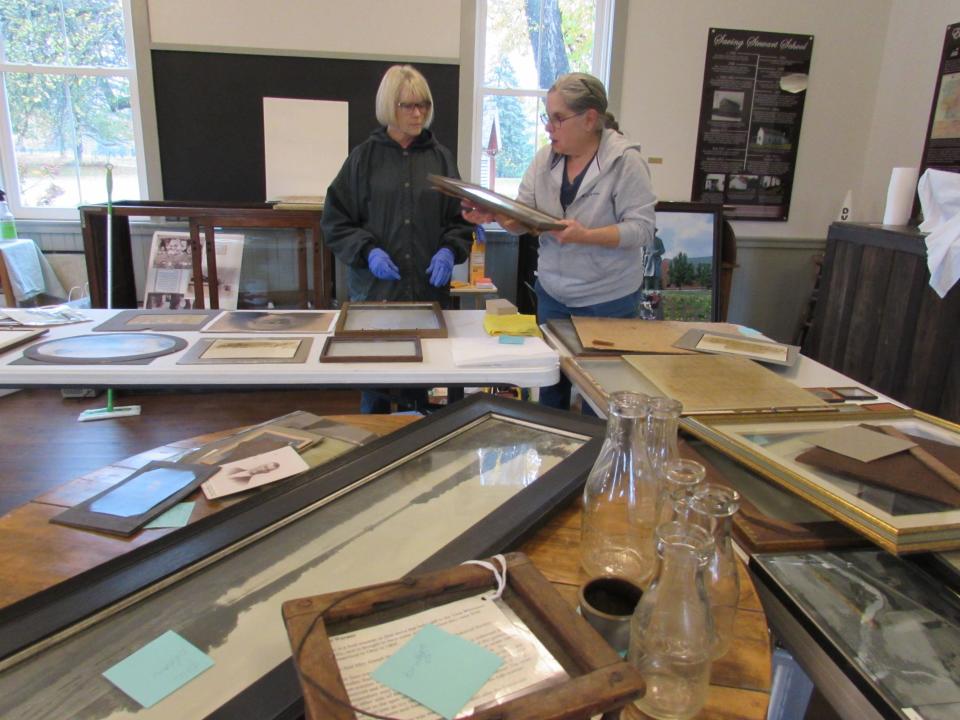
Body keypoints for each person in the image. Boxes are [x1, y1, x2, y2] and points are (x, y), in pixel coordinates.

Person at [464, 72, 656, 410]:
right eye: (546, 117)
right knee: (550, 386)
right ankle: (553, 458)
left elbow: (641, 230)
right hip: (554, 295)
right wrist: (493, 215)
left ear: (590, 119)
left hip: (607, 301)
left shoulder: (627, 163)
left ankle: (600, 459)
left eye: (557, 118)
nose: (549, 127)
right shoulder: (544, 160)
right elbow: (522, 221)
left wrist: (587, 236)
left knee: (604, 397)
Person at [322, 64, 473, 413]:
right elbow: (335, 220)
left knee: (416, 388)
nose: (418, 113)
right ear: (390, 106)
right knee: (375, 388)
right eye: (408, 105)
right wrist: (368, 250)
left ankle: (414, 460)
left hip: (425, 294)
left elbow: (460, 220)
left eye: (424, 105)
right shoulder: (363, 159)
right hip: (376, 298)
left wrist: (449, 251)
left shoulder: (440, 159)